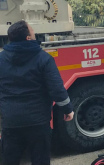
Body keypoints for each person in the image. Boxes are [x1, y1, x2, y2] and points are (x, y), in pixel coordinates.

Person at [0, 21, 74, 165]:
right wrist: (68, 109)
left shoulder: (1, 59)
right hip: (38, 121)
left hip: (10, 121)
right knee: (40, 159)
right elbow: (56, 89)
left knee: (9, 159)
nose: (34, 31)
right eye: (32, 30)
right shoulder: (44, 58)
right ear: (28, 38)